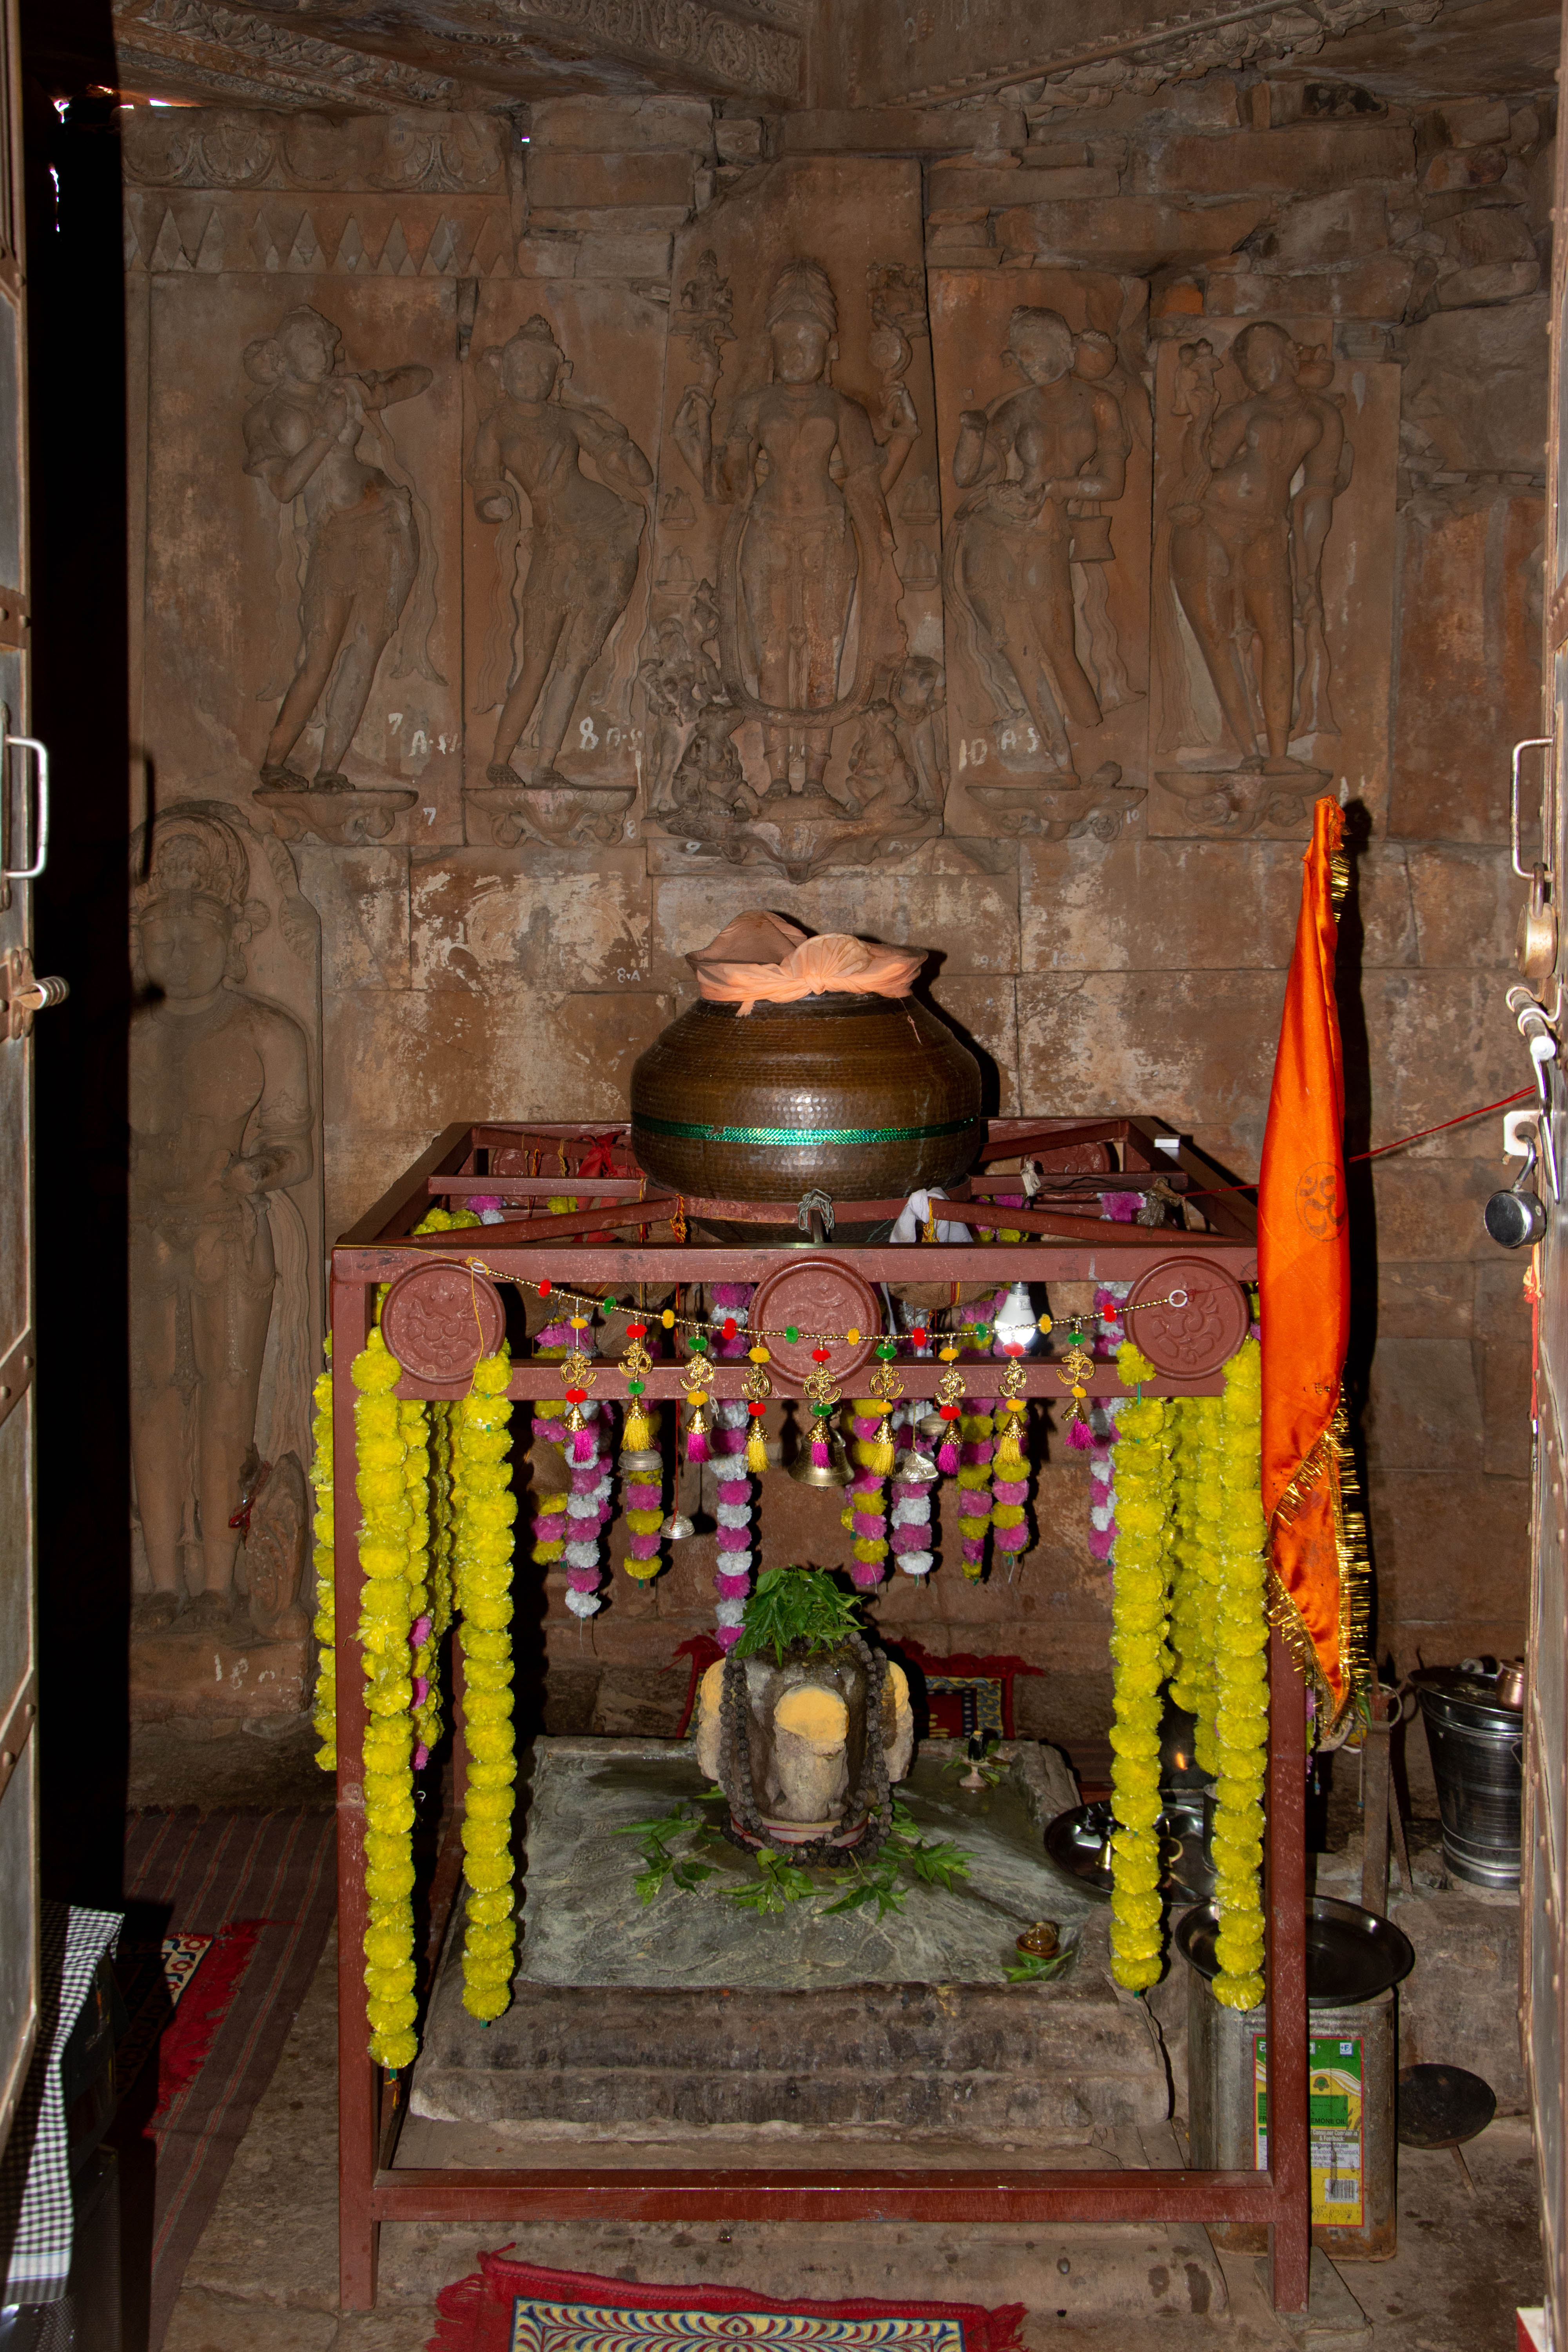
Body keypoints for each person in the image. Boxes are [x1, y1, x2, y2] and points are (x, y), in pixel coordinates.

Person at [129, 812, 312, 1627]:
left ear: (231, 936)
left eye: (193, 929)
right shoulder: (124, 1030)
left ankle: (217, 1577)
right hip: (145, 1236)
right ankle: (161, 1575)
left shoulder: (264, 1031)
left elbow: (294, 1146)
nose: (174, 946)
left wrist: (260, 1170)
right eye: (158, 930)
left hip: (229, 1238)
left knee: (227, 1398)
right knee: (153, 1396)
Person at [678, 259, 904, 801]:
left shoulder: (842, 407)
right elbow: (729, 483)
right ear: (774, 346)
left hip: (829, 533)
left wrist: (880, 539)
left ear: (828, 350)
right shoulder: (755, 405)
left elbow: (866, 482)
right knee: (774, 653)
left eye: (809, 341)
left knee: (823, 651)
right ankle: (779, 777)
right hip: (767, 533)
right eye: (787, 342)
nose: (797, 352)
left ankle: (819, 778)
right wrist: (708, 438)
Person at [243, 305, 431, 791]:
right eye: (312, 345)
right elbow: (285, 487)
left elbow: (421, 377)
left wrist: (370, 391)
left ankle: (330, 770)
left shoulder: (340, 390)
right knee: (320, 655)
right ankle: (274, 764)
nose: (324, 354)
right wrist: (327, 431)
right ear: (283, 356)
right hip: (333, 538)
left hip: (386, 528)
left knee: (367, 649)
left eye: (328, 345)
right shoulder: (268, 414)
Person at [469, 316, 652, 788]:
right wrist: (493, 501)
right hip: (554, 543)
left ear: (555, 376)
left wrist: (624, 452)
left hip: (606, 533)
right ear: (503, 374)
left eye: (538, 369)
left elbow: (626, 464)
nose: (529, 377)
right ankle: (500, 760)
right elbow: (485, 477)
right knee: (536, 659)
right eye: (519, 368)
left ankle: (546, 765)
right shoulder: (495, 427)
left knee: (576, 660)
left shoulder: (567, 419)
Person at [947, 307, 1130, 774]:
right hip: (995, 529)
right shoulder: (1017, 407)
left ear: (1065, 350)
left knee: (1057, 644)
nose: (1030, 364)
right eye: (1022, 357)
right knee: (1013, 643)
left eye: (1038, 352)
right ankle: (1061, 759)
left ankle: (1091, 732)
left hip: (1049, 528)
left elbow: (1111, 482)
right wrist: (972, 434)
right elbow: (970, 474)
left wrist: (1055, 489)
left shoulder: (1099, 404)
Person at [1168, 320, 1345, 770]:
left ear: (1287, 352)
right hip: (1209, 523)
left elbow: (1316, 495)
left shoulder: (1323, 415)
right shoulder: (1244, 413)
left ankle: (1279, 753)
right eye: (1243, 360)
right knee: (1219, 640)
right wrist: (1202, 417)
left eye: (1258, 354)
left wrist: (1308, 571)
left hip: (1267, 529)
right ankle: (1249, 751)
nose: (1250, 367)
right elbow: (1204, 465)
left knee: (1279, 635)